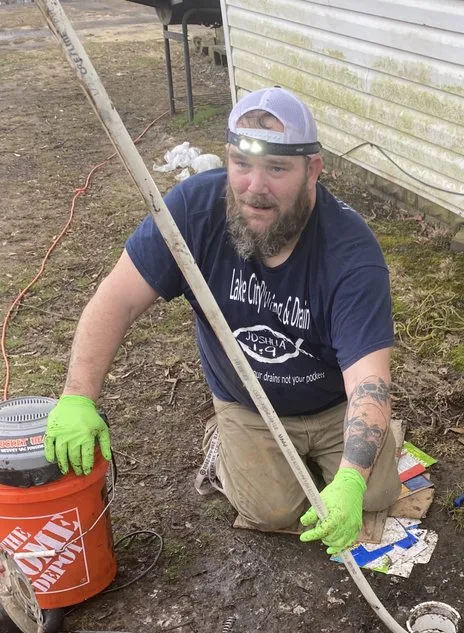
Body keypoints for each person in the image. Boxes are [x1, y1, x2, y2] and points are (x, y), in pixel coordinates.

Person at [43, 87, 402, 555]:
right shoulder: (190, 212)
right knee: (271, 512)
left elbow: (369, 381)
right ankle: (224, 440)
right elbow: (117, 301)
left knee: (377, 496)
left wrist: (353, 478)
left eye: (277, 168)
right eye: (241, 163)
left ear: (313, 169)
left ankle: (336, 462)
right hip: (246, 400)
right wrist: (77, 398)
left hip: (333, 403)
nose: (255, 187)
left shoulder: (352, 254)